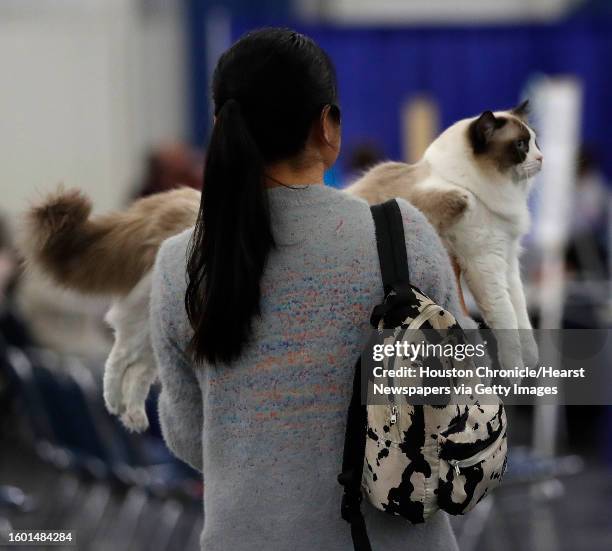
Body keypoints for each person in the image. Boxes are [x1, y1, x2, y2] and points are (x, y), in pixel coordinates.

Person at [150, 28, 469, 550]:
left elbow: (190, 435)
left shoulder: (178, 265)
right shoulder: (400, 236)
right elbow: (463, 396)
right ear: (328, 128)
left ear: (220, 127)